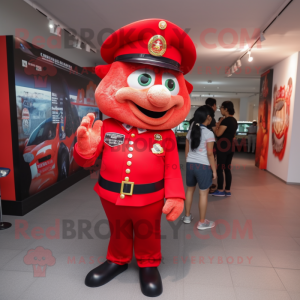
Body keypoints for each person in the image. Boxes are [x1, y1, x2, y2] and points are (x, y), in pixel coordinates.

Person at [182, 105, 217, 230]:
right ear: (208, 117)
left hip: (190, 165)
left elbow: (187, 150)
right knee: (203, 194)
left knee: (189, 191)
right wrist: (214, 171)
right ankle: (202, 222)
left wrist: (189, 161)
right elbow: (210, 154)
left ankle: (187, 216)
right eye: (212, 116)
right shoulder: (209, 133)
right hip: (203, 166)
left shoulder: (191, 131)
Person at [211, 101, 237, 197]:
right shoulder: (234, 120)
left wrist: (219, 123)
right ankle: (227, 190)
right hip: (231, 146)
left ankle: (220, 190)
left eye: (221, 108)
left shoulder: (226, 120)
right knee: (227, 168)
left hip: (223, 146)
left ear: (226, 109)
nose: (220, 109)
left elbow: (218, 134)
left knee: (220, 168)